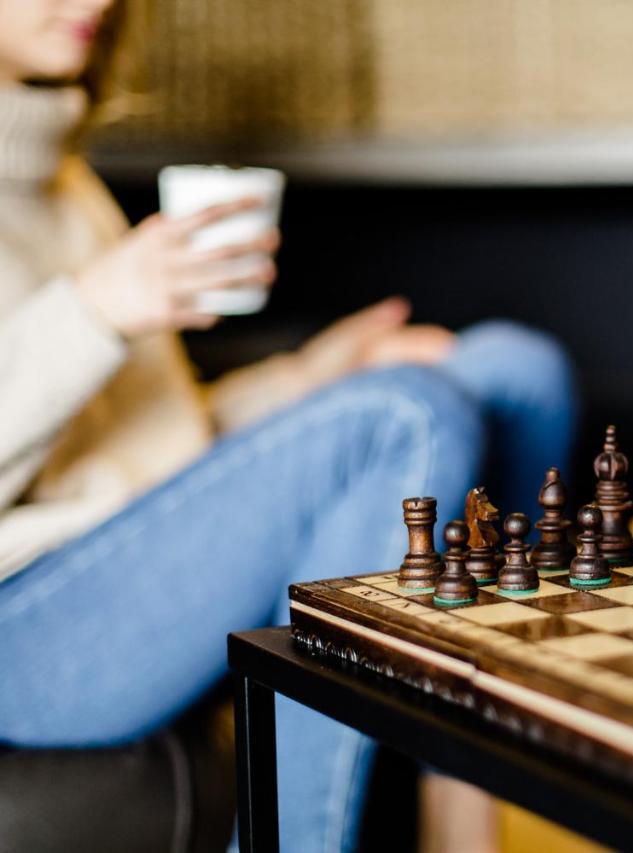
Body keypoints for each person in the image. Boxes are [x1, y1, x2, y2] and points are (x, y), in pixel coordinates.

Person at [0, 1, 576, 850]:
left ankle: (462, 799)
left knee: (511, 370)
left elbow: (145, 443)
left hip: (124, 552)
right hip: (30, 622)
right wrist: (94, 311)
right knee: (407, 417)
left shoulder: (59, 172)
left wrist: (309, 381)